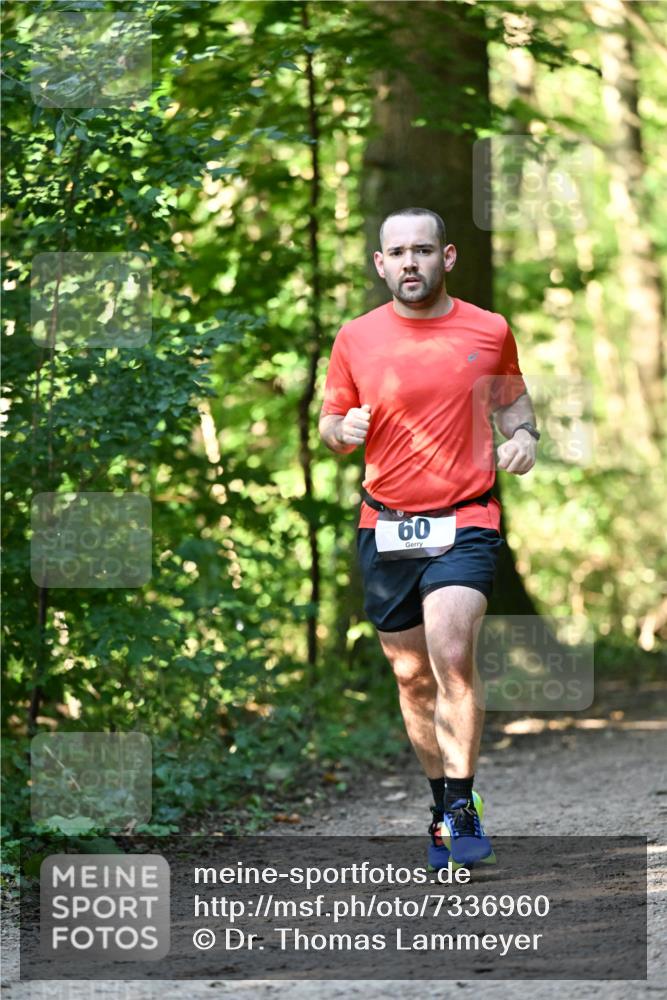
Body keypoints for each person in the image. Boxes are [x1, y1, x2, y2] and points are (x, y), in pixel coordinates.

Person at [318, 207, 538, 869]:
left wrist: (525, 436)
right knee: (412, 678)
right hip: (385, 524)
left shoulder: (488, 329)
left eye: (422, 249)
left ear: (447, 257)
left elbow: (512, 401)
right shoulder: (355, 338)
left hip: (465, 518)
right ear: (380, 264)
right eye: (397, 252)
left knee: (451, 649)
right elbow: (330, 422)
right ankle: (441, 804)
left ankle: (462, 805)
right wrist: (341, 432)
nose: (409, 262)